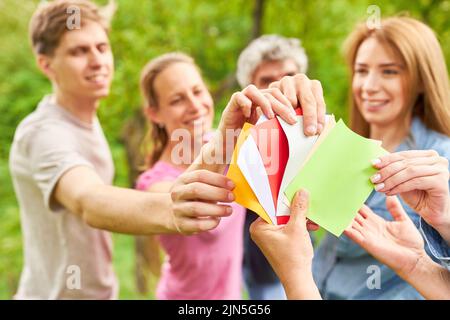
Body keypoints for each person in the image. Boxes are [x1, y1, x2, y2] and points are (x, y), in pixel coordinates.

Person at [9, 0, 300, 299]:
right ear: (46, 64)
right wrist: (177, 205)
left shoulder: (86, 123)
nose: (97, 60)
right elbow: (88, 201)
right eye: (79, 51)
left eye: (101, 47)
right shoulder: (44, 133)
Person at [309, 16, 450, 299]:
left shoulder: (439, 163)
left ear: (422, 81)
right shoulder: (335, 148)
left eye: (389, 72)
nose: (369, 86)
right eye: (362, 71)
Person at [236, 34, 312, 300]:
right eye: (268, 80)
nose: (282, 87)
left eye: (290, 75)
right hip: (260, 268)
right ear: (250, 88)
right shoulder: (240, 137)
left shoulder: (315, 130)